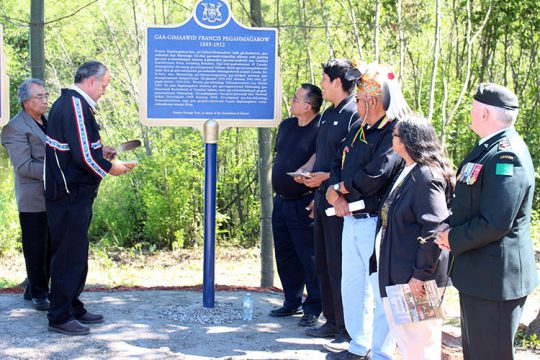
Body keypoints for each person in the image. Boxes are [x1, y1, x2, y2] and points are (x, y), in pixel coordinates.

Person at [435, 83, 538, 360]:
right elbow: (471, 202)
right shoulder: (488, 149)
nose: (470, 114)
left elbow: (496, 221)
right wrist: (449, 224)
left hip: (495, 279)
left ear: (484, 115)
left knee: (490, 354)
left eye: (473, 109)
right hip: (480, 274)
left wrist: (452, 239)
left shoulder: (507, 155)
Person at [324, 63, 409, 360]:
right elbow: (337, 161)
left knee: (379, 287)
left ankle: (383, 352)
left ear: (372, 100)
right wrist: (335, 192)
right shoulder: (358, 131)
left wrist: (343, 190)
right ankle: (359, 346)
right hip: (350, 219)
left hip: (376, 222)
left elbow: (376, 175)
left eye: (359, 99)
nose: (356, 103)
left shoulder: (391, 133)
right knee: (353, 284)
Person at [44, 61, 134, 336]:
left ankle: (72, 305)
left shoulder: (74, 104)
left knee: (77, 252)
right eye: (104, 85)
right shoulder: (74, 105)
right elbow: (82, 155)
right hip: (69, 195)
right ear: (91, 82)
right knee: (68, 255)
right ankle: (59, 315)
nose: (105, 91)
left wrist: (101, 149)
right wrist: (111, 168)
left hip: (73, 193)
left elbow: (81, 146)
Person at [370, 115, 453, 360]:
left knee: (420, 346)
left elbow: (432, 228)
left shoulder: (426, 176)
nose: (390, 138)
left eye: (394, 134)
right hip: (401, 275)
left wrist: (420, 275)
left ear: (406, 141)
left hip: (417, 281)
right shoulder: (409, 170)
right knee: (409, 344)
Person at [297, 59, 359, 345]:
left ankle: (347, 327)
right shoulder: (329, 114)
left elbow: (349, 161)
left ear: (337, 82)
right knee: (323, 261)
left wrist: (327, 179)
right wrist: (311, 178)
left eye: (324, 79)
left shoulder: (354, 113)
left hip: (341, 200)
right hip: (322, 198)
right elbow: (324, 154)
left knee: (340, 264)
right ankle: (332, 320)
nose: (321, 84)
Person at [269, 83, 323, 327]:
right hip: (281, 201)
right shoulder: (287, 126)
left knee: (308, 256)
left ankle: (313, 307)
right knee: (285, 253)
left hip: (304, 202)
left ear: (307, 106)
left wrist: (316, 197)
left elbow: (326, 163)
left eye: (295, 99)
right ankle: (292, 300)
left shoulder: (320, 128)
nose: (291, 102)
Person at [1, 79, 52, 310]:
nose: (44, 101)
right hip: (33, 197)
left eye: (45, 95)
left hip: (54, 194)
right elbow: (23, 166)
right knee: (36, 246)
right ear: (25, 101)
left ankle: (34, 287)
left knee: (51, 244)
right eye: (38, 97)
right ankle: (39, 294)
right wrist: (56, 172)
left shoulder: (47, 121)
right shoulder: (14, 127)